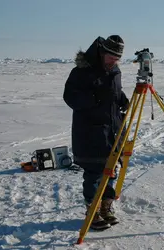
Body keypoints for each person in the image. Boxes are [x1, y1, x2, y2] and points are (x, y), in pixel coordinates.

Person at [63, 35, 129, 230]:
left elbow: (114, 93)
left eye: (117, 59)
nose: (113, 62)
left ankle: (106, 207)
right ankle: (92, 211)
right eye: (111, 58)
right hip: (91, 131)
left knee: (111, 170)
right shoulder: (82, 71)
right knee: (94, 173)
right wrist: (93, 98)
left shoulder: (115, 70)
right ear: (102, 53)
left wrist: (122, 100)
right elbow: (70, 96)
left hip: (113, 129)